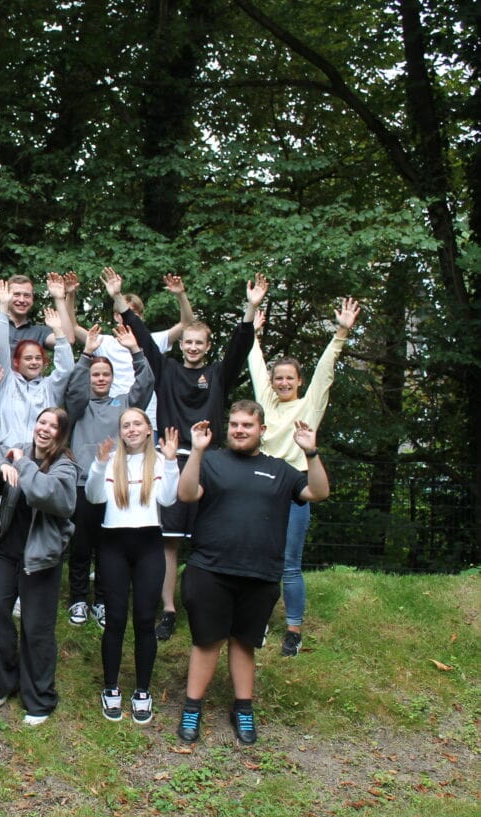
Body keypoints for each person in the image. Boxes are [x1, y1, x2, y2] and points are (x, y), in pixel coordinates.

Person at [114, 268, 267, 641]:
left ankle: (218, 609)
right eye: (188, 342)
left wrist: (250, 309)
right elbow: (141, 337)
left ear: (207, 346)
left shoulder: (217, 375)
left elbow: (240, 347)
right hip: (172, 460)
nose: (193, 347)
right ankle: (167, 610)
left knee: (214, 539)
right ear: (181, 345)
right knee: (168, 540)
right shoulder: (165, 369)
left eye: (199, 343)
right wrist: (118, 297)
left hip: (212, 463)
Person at [175, 404, 330, 745]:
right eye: (234, 424)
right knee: (206, 641)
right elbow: (185, 494)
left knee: (245, 643)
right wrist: (197, 452)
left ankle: (243, 708)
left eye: (248, 424)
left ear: (262, 429)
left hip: (260, 574)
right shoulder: (211, 461)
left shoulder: (281, 470)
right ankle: (192, 707)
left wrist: (312, 452)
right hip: (209, 569)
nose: (239, 429)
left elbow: (318, 492)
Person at [249, 298, 360, 656]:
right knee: (259, 558)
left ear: (299, 381)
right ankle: (258, 621)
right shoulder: (265, 401)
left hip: (296, 486)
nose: (282, 383)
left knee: (290, 564)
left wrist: (341, 332)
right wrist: (252, 331)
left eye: (289, 378)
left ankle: (293, 630)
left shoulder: (309, 404)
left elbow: (326, 369)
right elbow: (254, 364)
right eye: (278, 378)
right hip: (263, 486)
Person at [0, 407, 78, 725]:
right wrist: (1, 463)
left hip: (41, 558)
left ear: (61, 435)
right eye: (41, 422)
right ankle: (5, 681)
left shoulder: (65, 467)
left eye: (53, 426)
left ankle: (40, 699)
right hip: (7, 550)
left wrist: (21, 463)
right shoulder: (18, 449)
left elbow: (44, 494)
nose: (44, 429)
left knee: (36, 629)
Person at [85, 411, 179, 724]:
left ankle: (142, 691)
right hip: (113, 543)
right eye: (126, 425)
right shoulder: (111, 460)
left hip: (149, 544)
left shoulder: (160, 461)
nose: (131, 429)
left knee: (143, 618)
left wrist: (171, 461)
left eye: (137, 424)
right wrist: (98, 464)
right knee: (114, 618)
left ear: (149, 429)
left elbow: (168, 499)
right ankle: (110, 687)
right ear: (121, 432)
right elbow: (93, 495)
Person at [62, 324, 153, 628]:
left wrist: (135, 351)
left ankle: (101, 601)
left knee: (108, 547)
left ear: (112, 378)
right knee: (80, 545)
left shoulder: (123, 404)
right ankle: (78, 599)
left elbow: (147, 382)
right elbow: (72, 387)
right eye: (95, 374)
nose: (100, 379)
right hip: (81, 483)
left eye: (105, 375)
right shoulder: (78, 404)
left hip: (116, 486)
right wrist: (87, 353)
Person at [59, 270, 194, 429]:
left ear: (141, 317)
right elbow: (73, 328)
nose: (129, 317)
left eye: (134, 314)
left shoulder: (153, 341)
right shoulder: (104, 343)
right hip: (113, 417)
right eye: (123, 313)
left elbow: (187, 324)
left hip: (147, 418)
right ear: (116, 316)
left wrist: (181, 294)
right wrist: (70, 295)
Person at [0, 281, 75, 446]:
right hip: (6, 456)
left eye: (38, 358)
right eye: (28, 358)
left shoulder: (50, 387)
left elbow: (66, 369)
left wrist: (58, 331)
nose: (34, 362)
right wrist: (3, 306)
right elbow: (0, 345)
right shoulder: (6, 380)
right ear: (16, 362)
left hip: (40, 456)